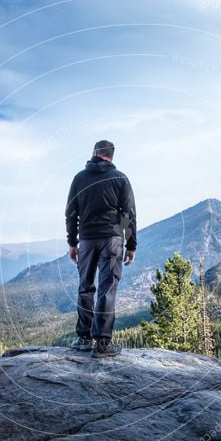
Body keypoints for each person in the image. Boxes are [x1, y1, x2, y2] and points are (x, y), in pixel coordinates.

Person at [65, 140, 137, 358]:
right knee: (107, 288)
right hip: (112, 240)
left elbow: (71, 213)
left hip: (87, 240)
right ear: (111, 156)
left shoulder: (80, 178)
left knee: (85, 287)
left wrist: (72, 242)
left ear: (94, 153)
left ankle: (84, 339)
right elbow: (128, 214)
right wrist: (128, 242)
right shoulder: (120, 178)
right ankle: (103, 344)